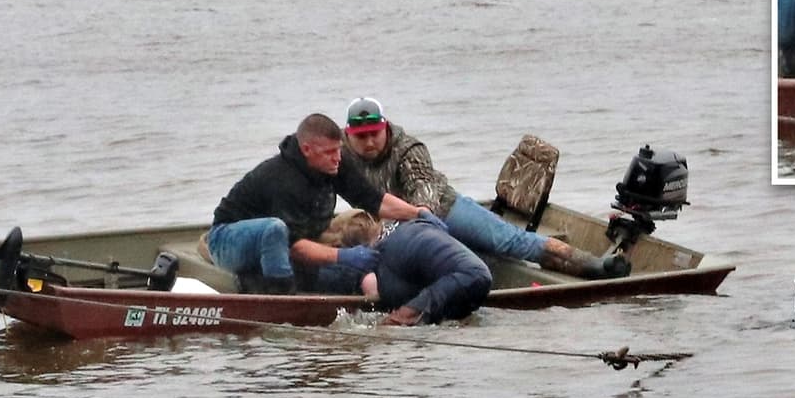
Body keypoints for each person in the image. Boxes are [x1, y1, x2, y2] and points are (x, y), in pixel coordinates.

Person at [210, 113, 491, 325]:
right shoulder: (282, 180)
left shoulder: (335, 163)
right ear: (308, 150)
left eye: (339, 151)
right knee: (275, 231)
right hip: (230, 240)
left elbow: (374, 200)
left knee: (351, 271)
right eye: (329, 153)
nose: (337, 159)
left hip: (290, 244)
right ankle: (278, 301)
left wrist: (418, 212)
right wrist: (344, 257)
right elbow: (294, 245)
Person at [339, 97, 630, 280]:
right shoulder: (337, 153)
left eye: (373, 134)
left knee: (509, 242)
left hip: (442, 209)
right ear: (348, 134)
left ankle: (594, 264)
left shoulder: (409, 149)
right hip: (389, 225)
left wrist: (418, 224)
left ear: (385, 127)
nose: (368, 143)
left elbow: (424, 193)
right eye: (360, 137)